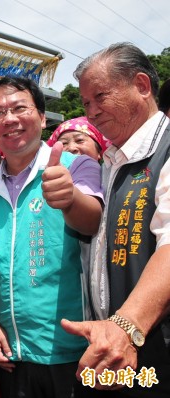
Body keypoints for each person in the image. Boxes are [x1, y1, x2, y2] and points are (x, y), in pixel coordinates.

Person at [0, 76, 104, 398]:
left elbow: (91, 222)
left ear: (43, 117)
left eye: (20, 108)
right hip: (13, 353)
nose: (10, 119)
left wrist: (69, 197)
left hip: (77, 348)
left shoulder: (77, 166)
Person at [61, 42, 170, 397]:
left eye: (100, 97)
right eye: (86, 103)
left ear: (141, 85)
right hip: (116, 351)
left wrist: (127, 325)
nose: (90, 112)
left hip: (153, 347)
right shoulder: (109, 163)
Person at [47, 116, 111, 161]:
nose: (71, 148)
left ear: (99, 152)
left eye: (79, 140)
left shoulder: (113, 178)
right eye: (64, 143)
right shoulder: (45, 179)